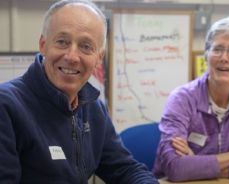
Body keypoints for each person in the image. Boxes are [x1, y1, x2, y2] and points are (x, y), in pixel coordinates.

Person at [0, 0, 159, 183]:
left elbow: (124, 169)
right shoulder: (6, 106)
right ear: (43, 45)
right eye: (62, 42)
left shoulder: (93, 108)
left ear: (99, 57)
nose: (72, 57)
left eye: (85, 46)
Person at [153, 15, 229, 182]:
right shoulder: (181, 99)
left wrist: (196, 164)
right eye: (217, 49)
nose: (224, 58)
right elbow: (175, 168)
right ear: (206, 55)